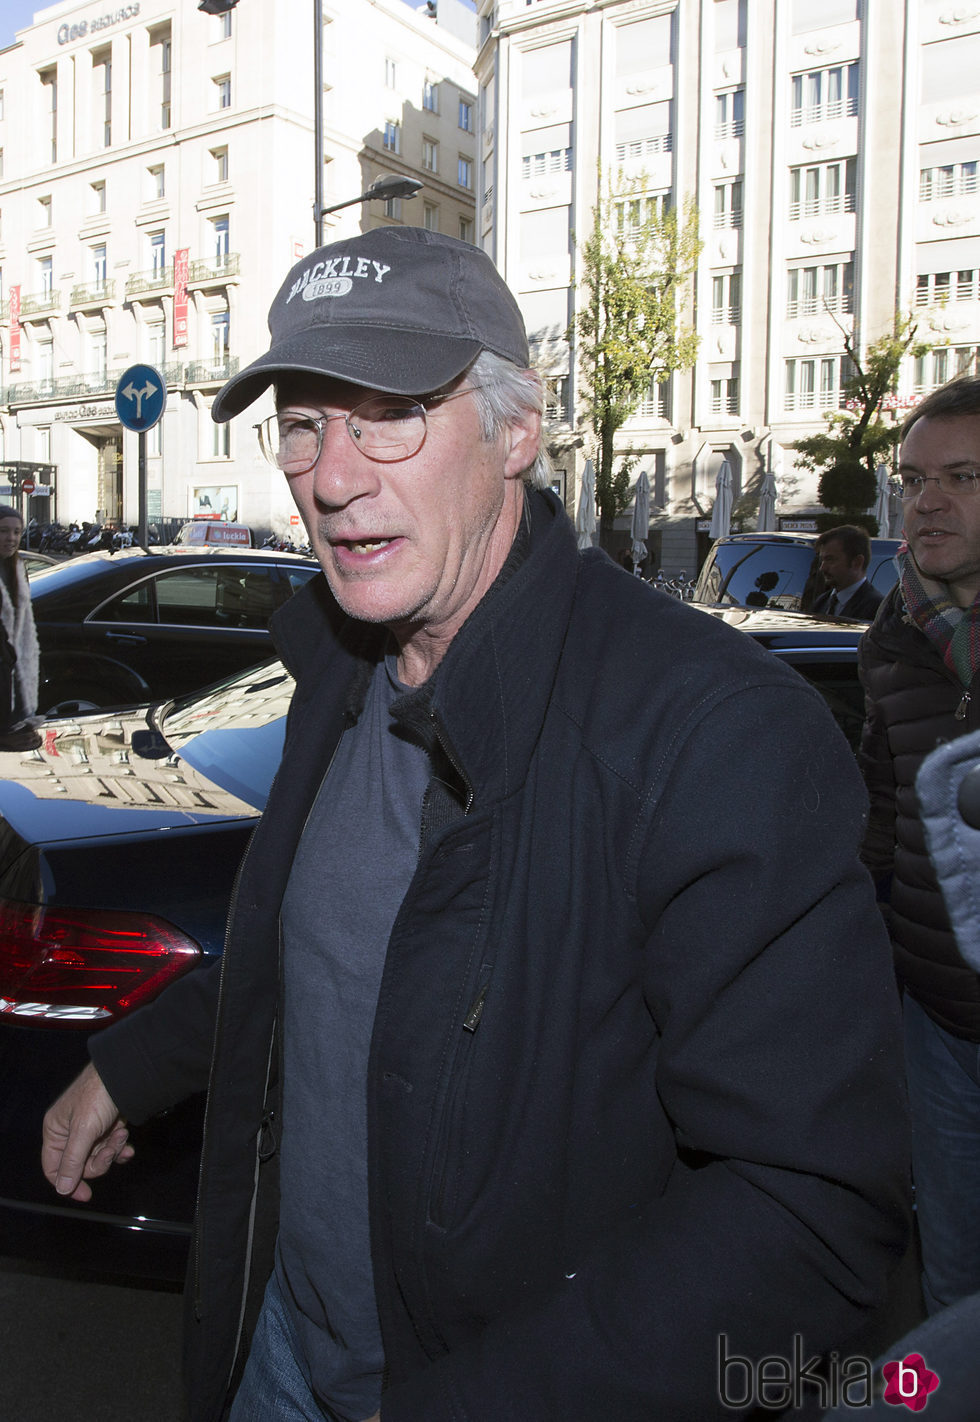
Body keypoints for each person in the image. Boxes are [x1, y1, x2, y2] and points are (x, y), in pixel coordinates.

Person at [43, 228, 910, 1422]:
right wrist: (126, 1071)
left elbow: (807, 1209)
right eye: (303, 423)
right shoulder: (340, 667)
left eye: (388, 413)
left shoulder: (714, 731)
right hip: (283, 1340)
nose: (332, 475)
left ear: (515, 429)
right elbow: (324, 948)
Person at [858, 374, 980, 1316]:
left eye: (963, 477)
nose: (926, 499)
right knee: (954, 1289)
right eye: (913, 478)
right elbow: (882, 831)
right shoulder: (892, 640)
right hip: (938, 1031)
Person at [0, 504, 42, 752]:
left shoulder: (18, 568)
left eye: (16, 532)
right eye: (4, 531)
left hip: (15, 666)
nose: (11, 538)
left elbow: (25, 620)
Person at [812, 525, 883, 620]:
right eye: (822, 560)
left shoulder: (877, 608)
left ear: (857, 562)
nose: (822, 568)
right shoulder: (822, 602)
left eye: (830, 560)